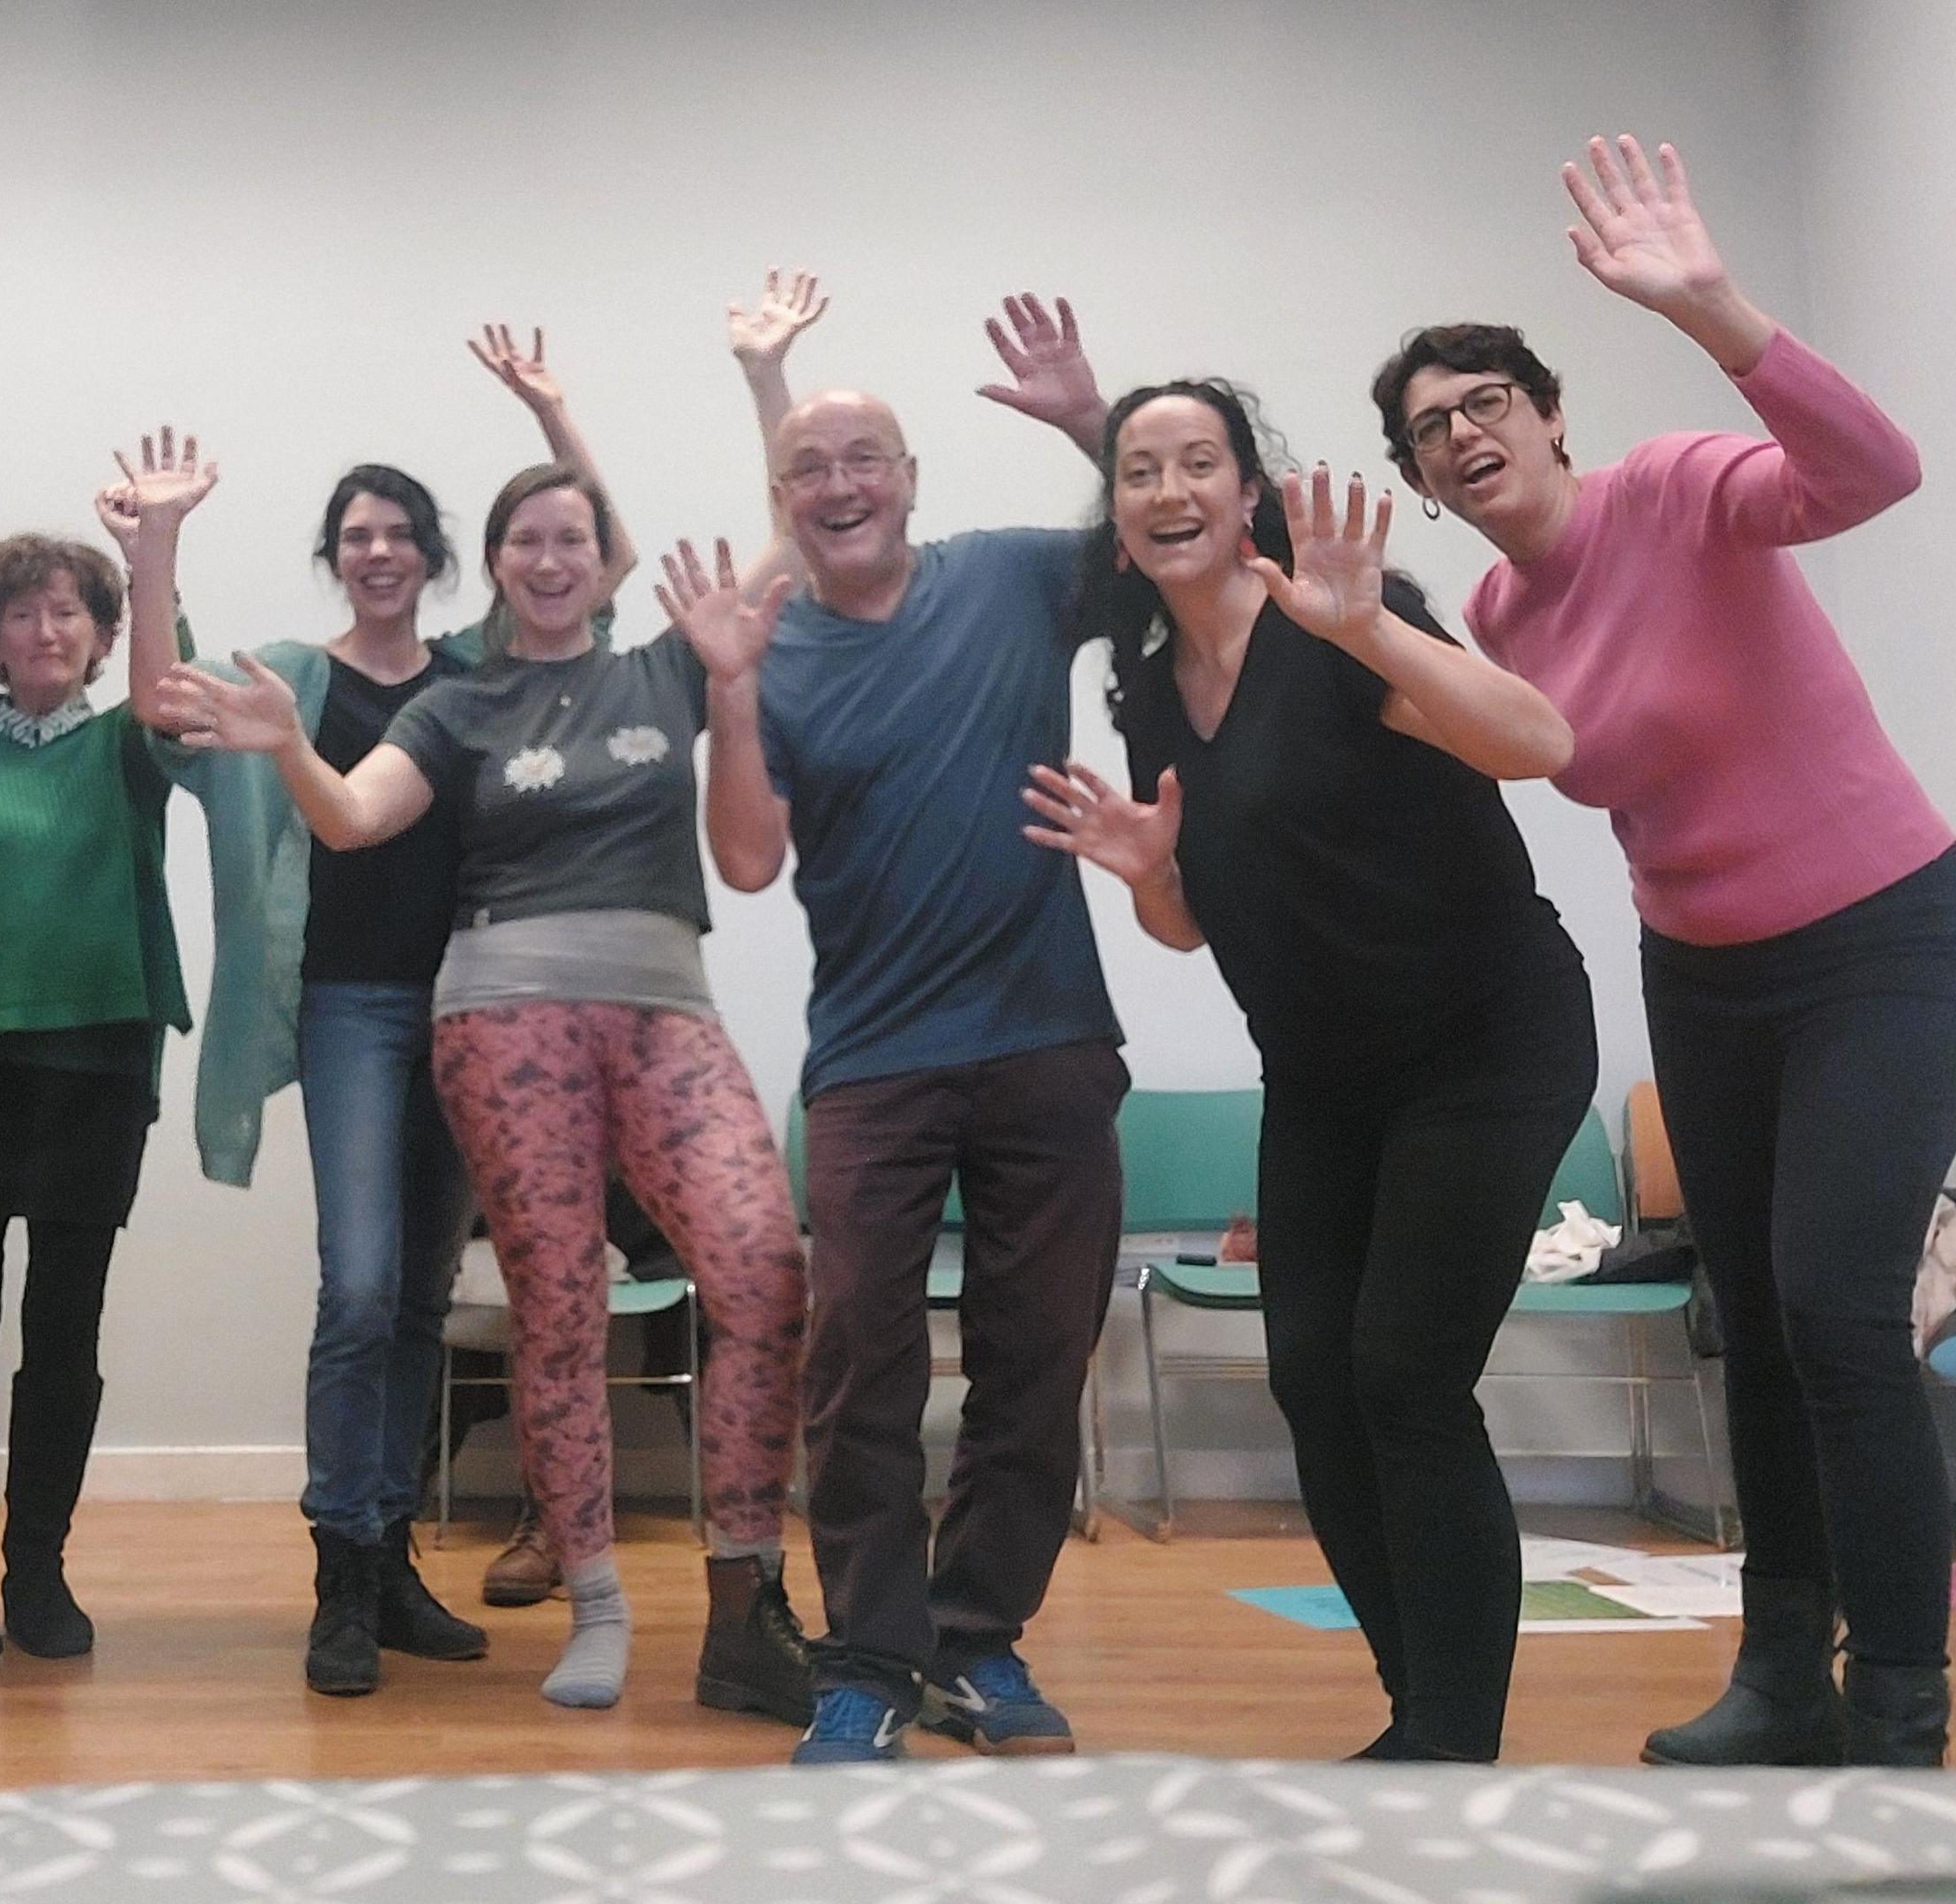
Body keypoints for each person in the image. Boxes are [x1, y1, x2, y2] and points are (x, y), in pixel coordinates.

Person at [1370, 137, 1956, 1767]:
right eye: (1432, 430)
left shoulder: (1675, 488)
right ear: (1426, 485)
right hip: (1708, 979)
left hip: (1887, 946)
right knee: (1758, 1326)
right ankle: (1782, 1671)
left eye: (1486, 401)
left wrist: (1717, 308)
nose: (1463, 434)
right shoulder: (1500, 629)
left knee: (1838, 1310)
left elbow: (1875, 476)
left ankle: (1900, 1712)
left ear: (1550, 414)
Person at [156, 485, 814, 1723]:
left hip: (663, 1007)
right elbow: (351, 821)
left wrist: (764, 376)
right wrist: (291, 743)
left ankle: (746, 1592)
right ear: (498, 565)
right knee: (541, 1312)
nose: (553, 558)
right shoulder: (456, 702)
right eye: (529, 540)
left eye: (574, 537)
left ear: (597, 558)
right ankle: (583, 1602)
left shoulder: (670, 665)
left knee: (765, 1268)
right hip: (496, 1019)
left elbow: (791, 518)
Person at [1023, 379, 1592, 1762]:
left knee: (1402, 1378)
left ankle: (1456, 1744)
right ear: (1117, 511)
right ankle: (1421, 1719)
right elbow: (1194, 919)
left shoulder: (1339, 617)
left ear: (1247, 486)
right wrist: (1153, 876)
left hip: (1486, 1044)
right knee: (1312, 1383)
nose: (1170, 491)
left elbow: (1540, 743)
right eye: (1140, 469)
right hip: (1327, 1079)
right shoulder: (1147, 682)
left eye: (1198, 463)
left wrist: (1372, 627)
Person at [152, 325, 635, 1696]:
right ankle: (341, 1571)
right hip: (355, 1010)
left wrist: (553, 410)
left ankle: (391, 1555)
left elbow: (602, 557)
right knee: (359, 1287)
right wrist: (156, 553)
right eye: (353, 534)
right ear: (337, 555)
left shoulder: (484, 669)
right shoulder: (290, 685)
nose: (375, 551)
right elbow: (154, 701)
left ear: (432, 556)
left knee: (422, 1296)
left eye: (397, 532)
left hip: (482, 1010)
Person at [702, 275, 1129, 1765]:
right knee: (859, 1369)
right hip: (874, 1065)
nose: (839, 484)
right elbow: (748, 860)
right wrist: (737, 696)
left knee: (1037, 1358)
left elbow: (1172, 538)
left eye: (862, 458)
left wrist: (1093, 420)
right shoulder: (770, 656)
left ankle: (979, 1647)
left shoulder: (1009, 575)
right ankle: (869, 1661)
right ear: (782, 499)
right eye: (810, 468)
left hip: (1049, 1039)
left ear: (909, 481)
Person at [0, 432, 205, 1668]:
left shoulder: (127, 744)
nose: (48, 631)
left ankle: (37, 1573)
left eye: (70, 612)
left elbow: (177, 702)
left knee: (65, 1333)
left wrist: (154, 550)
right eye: (22, 614)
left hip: (96, 1072)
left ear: (102, 636)